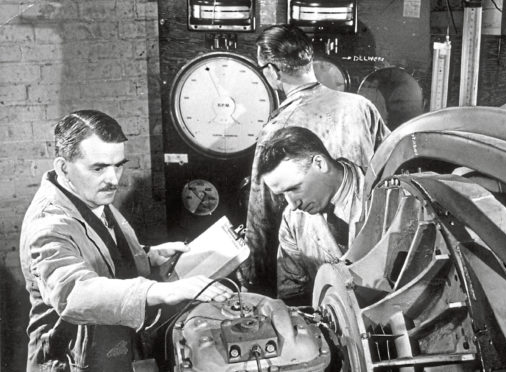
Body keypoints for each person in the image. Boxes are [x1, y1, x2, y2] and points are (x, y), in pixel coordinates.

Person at [19, 110, 233, 371]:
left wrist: (148, 255)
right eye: (98, 168)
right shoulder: (49, 223)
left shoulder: (87, 194)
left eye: (118, 165)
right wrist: (162, 290)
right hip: (71, 362)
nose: (112, 179)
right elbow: (72, 293)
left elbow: (98, 245)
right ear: (63, 167)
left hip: (110, 349)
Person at [243, 24, 390, 292]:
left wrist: (256, 289)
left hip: (319, 279)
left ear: (273, 71)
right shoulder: (361, 106)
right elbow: (394, 172)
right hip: (380, 261)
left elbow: (261, 221)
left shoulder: (276, 131)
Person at [256, 126, 365, 303]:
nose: (292, 205)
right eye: (282, 194)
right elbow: (292, 296)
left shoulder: (384, 195)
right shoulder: (292, 220)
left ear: (320, 164)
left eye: (294, 188)